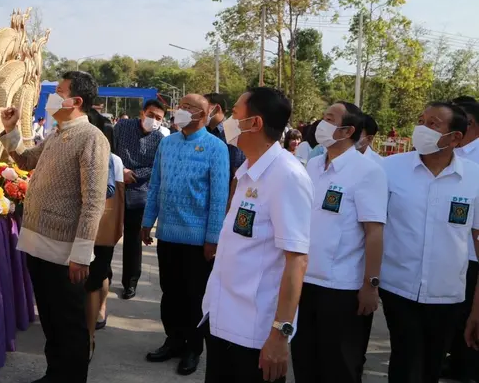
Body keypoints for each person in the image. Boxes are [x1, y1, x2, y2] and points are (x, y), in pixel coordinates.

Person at [0, 71, 110, 383]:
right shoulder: (58, 134)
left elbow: (93, 202)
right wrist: (11, 130)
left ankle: (71, 377)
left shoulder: (91, 139)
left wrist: (81, 254)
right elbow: (24, 161)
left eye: (58, 91)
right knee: (50, 318)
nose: (52, 96)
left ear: (75, 101)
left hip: (64, 252)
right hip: (38, 244)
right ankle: (55, 374)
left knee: (69, 323)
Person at [201, 87, 312, 383]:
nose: (227, 120)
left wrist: (280, 334)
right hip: (223, 319)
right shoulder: (247, 168)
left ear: (255, 123)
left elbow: (297, 260)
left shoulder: (286, 175)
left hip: (255, 332)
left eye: (236, 114)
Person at [380, 102, 479, 383]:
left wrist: (477, 307)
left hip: (447, 293)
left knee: (432, 365)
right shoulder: (390, 169)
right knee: (405, 360)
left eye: (433, 124)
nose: (422, 129)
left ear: (455, 138)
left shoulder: (473, 178)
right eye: (421, 120)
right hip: (397, 287)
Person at [291, 102, 388, 383]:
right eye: (323, 118)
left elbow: (374, 232)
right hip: (305, 282)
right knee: (305, 360)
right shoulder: (313, 165)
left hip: (342, 288)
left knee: (340, 366)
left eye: (329, 119)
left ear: (347, 130)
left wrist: (371, 285)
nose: (320, 124)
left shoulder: (367, 171)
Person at [141, 94, 229, 376]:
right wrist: (147, 221)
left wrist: (212, 238)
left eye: (190, 108)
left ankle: (193, 348)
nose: (182, 110)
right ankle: (174, 340)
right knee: (170, 293)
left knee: (195, 296)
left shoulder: (216, 148)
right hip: (168, 233)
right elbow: (155, 184)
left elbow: (218, 197)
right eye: (182, 105)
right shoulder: (167, 143)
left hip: (197, 239)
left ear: (204, 116)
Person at [113, 99, 166, 300]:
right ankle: (103, 277)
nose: (153, 120)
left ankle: (130, 282)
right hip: (115, 189)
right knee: (107, 236)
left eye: (158, 118)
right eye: (151, 115)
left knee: (133, 240)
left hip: (140, 193)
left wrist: (133, 173)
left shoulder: (160, 139)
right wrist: (121, 171)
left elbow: (156, 167)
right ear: (142, 113)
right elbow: (110, 151)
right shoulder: (122, 127)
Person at [444, 99, 479, 383]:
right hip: (452, 248)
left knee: (469, 312)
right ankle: (456, 362)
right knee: (455, 315)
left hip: (472, 250)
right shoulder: (455, 153)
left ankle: (467, 366)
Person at [85, 109, 124, 357]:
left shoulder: (110, 159)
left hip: (99, 227)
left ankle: (91, 330)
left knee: (96, 276)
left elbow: (111, 192)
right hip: (83, 227)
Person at [204, 92, 247, 180]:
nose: (200, 112)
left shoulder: (232, 133)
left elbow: (237, 171)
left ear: (217, 108)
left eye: (203, 108)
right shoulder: (203, 132)